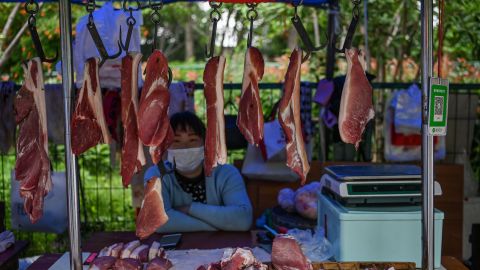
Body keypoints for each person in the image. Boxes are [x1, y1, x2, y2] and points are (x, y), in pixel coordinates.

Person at [144, 111, 253, 232]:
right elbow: (157, 221)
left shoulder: (227, 173)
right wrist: (218, 226)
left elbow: (243, 219)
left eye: (192, 140)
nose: (185, 147)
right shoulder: (156, 175)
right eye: (176, 141)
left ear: (206, 143)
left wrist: (190, 208)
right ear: (165, 146)